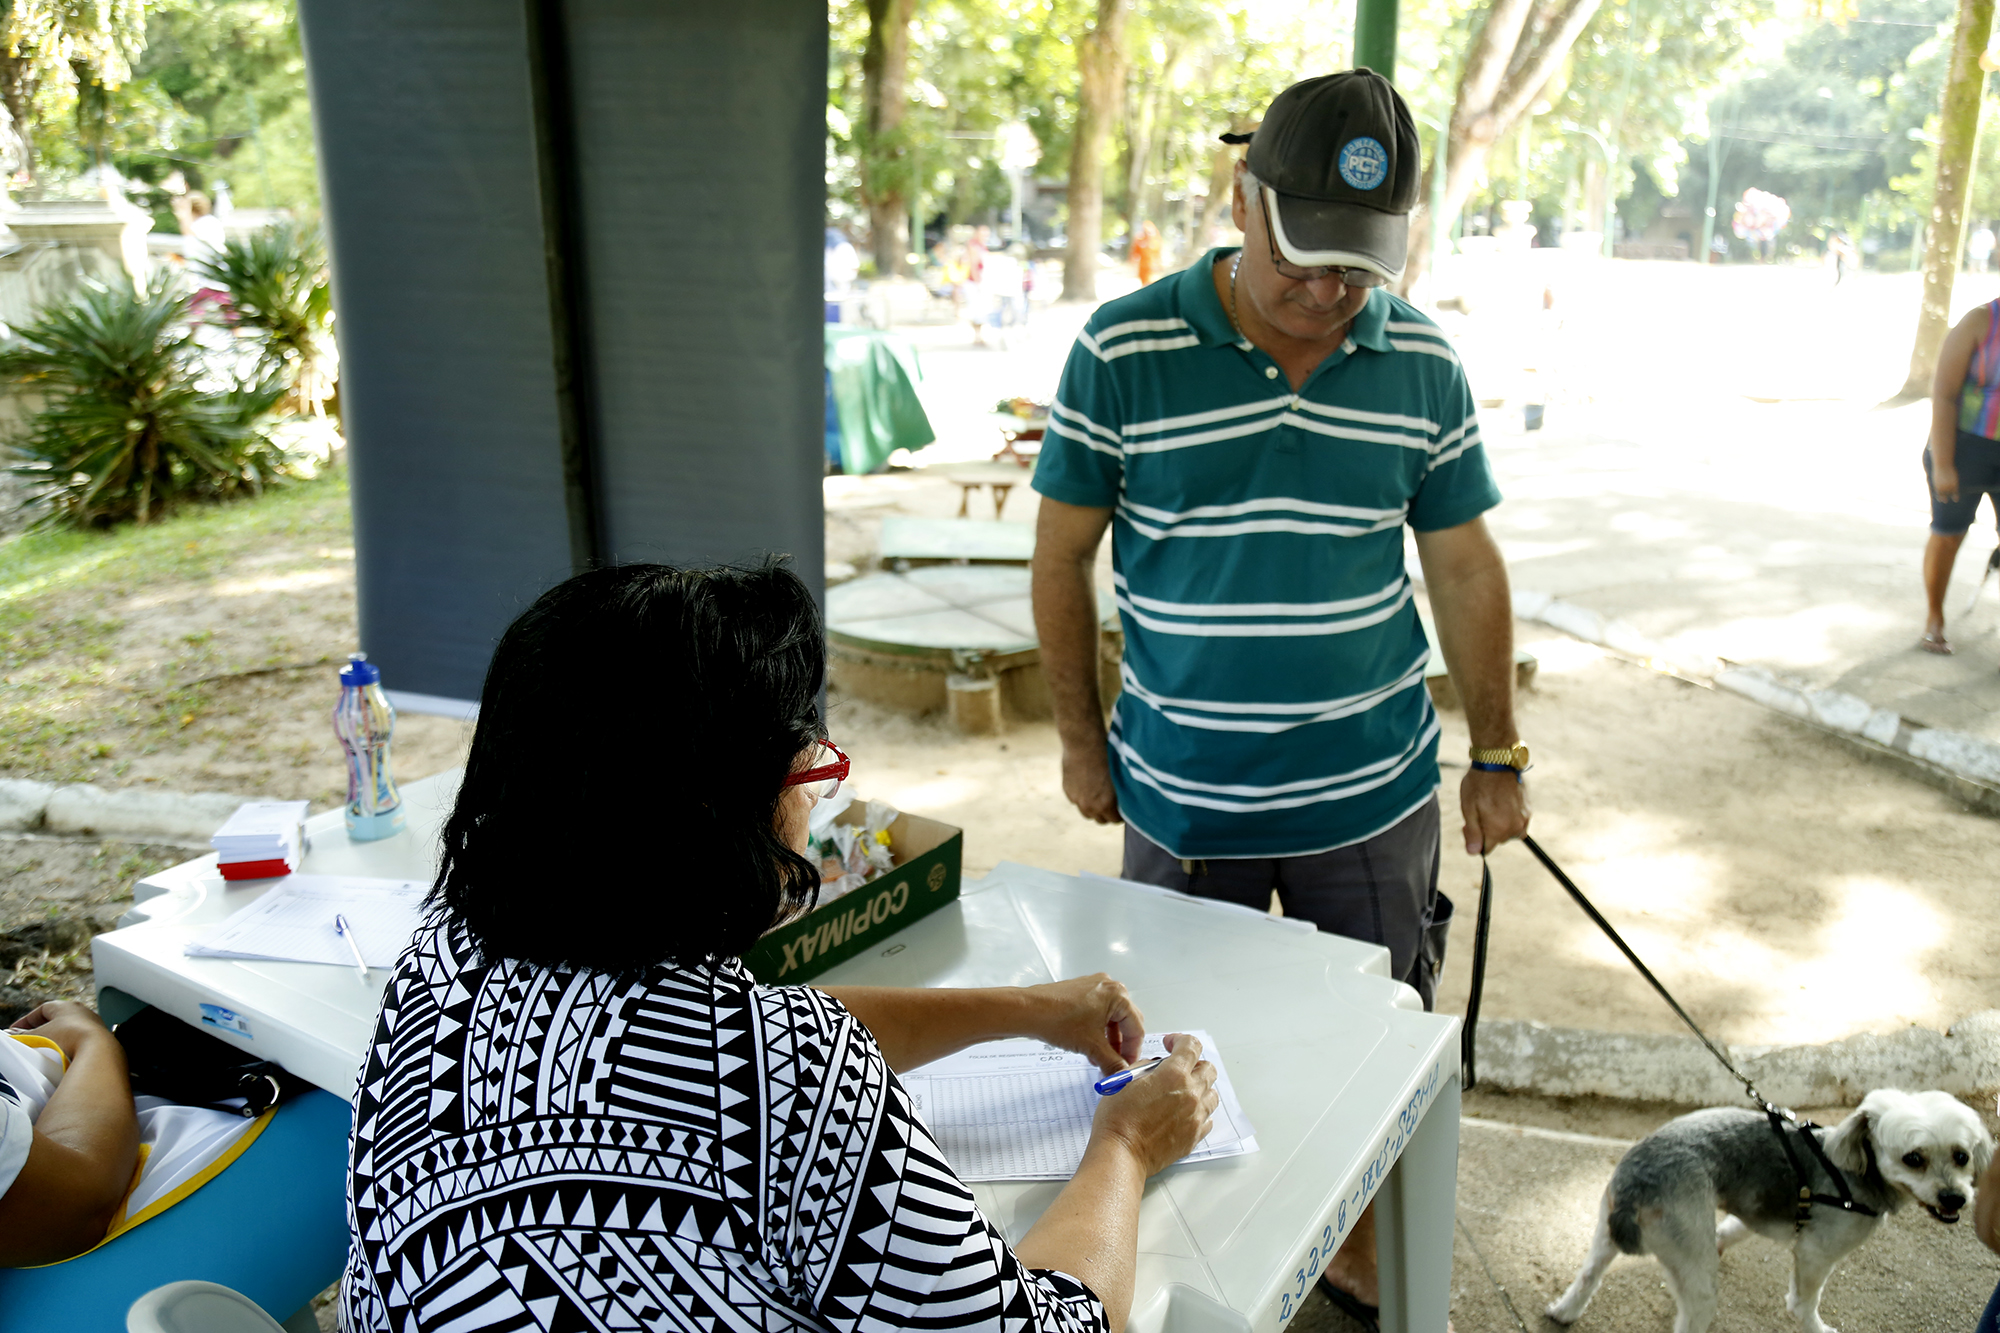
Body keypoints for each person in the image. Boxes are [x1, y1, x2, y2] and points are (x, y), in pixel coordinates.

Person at [341, 562, 1220, 1333]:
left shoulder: (443, 956)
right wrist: (1128, 1144)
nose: (814, 804)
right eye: (809, 771)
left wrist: (1027, 1010)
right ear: (719, 815)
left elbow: (711, 1046)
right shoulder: (791, 1072)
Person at [1029, 68, 1528, 1327]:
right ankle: (1186, 1248)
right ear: (1241, 198)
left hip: (1370, 795)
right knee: (1170, 1039)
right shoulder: (1123, 345)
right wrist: (1081, 744)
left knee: (1366, 1045)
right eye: (1303, 257)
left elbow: (1460, 560)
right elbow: (1059, 554)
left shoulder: (1418, 359)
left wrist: (1497, 753)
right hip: (1182, 793)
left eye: (1355, 268)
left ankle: (1357, 1247)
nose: (1325, 294)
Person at [1921, 299, 2000, 655]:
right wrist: (1943, 464)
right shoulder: (1981, 321)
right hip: (1962, 449)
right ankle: (1934, 619)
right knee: (1948, 535)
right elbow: (1944, 393)